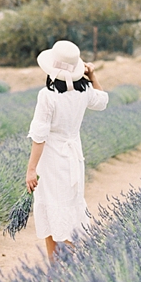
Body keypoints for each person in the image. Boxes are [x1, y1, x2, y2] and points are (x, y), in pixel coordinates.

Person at [25, 40, 108, 262]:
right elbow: (102, 102)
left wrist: (31, 169)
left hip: (52, 159)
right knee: (68, 210)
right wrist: (93, 76)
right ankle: (63, 272)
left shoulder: (48, 95)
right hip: (73, 158)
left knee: (54, 211)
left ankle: (59, 271)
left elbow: (39, 136)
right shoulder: (83, 91)